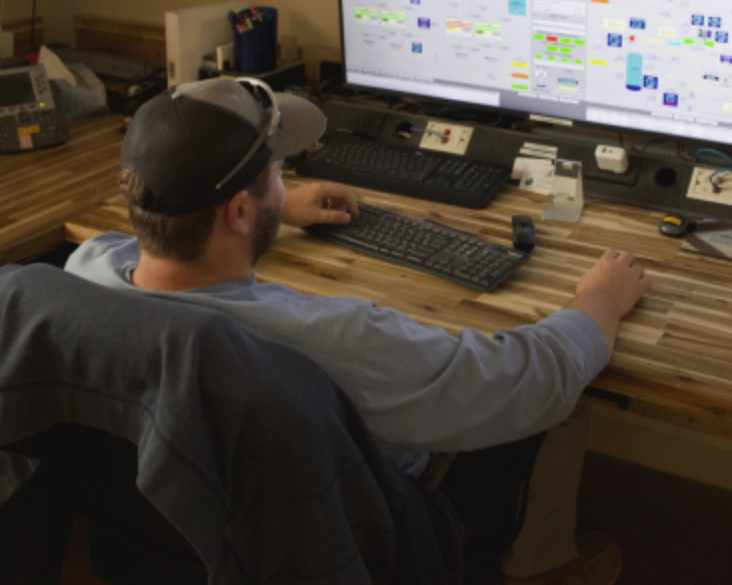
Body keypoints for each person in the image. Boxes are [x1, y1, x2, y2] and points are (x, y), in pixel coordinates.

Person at [65, 77, 650, 585]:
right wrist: (600, 298)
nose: (282, 179)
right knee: (568, 396)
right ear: (239, 212)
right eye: (276, 171)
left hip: (174, 533)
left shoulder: (83, 272)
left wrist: (276, 207)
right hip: (364, 531)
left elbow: (161, 241)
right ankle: (542, 570)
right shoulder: (339, 342)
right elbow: (531, 375)